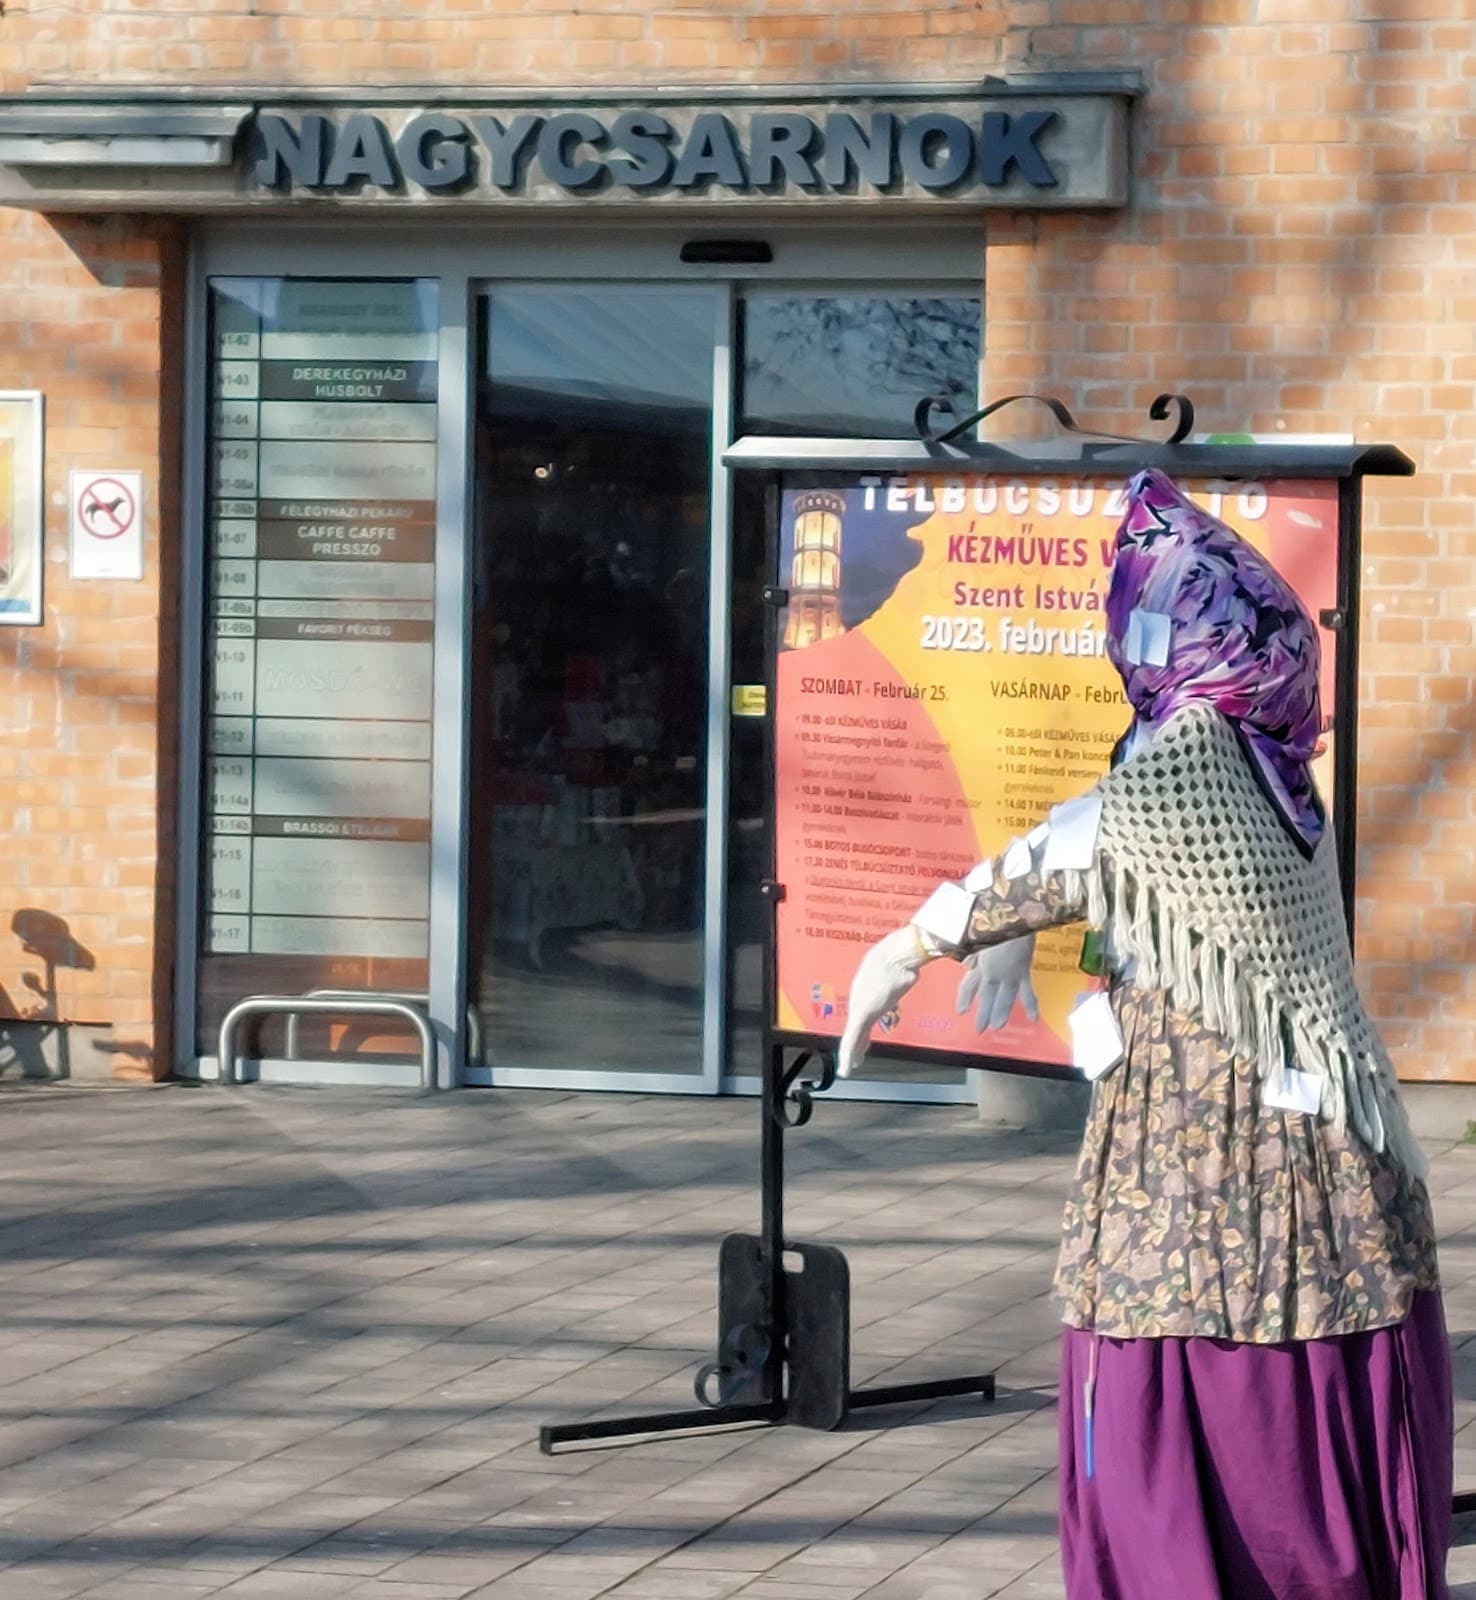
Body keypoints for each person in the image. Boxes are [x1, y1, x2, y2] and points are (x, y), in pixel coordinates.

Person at [838, 468, 1451, 1600]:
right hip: (1299, 1170)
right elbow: (1109, 835)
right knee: (1286, 1369)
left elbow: (1092, 842)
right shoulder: (1271, 767)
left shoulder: (1195, 771)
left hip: (1206, 1175)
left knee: (1200, 1371)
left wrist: (911, 947)